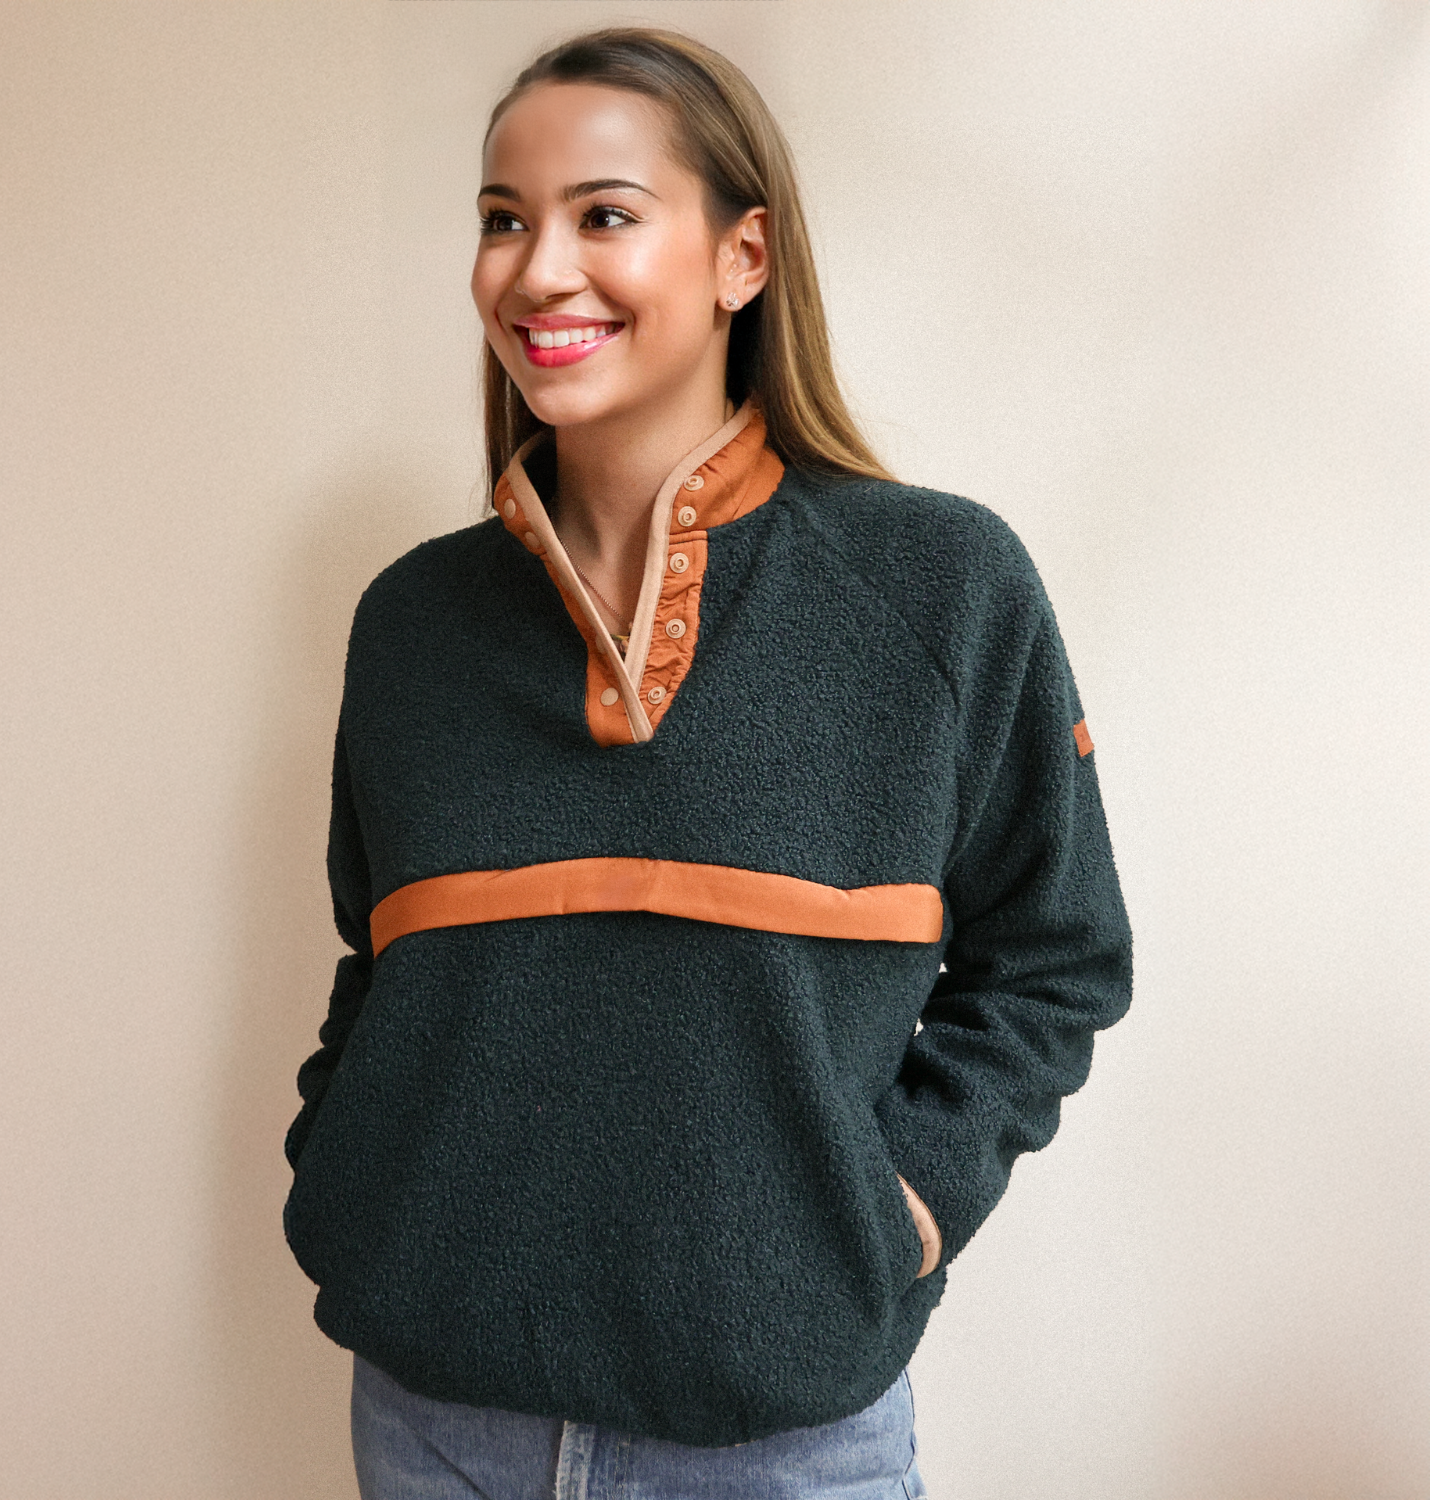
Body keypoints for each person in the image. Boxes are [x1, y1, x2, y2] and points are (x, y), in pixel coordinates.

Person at [282, 24, 1132, 1500]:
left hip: (784, 1445)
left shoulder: (940, 587)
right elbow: (385, 958)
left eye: (604, 214)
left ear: (744, 255)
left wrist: (897, 1212)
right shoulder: (410, 622)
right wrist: (344, 1175)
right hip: (428, 1425)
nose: (539, 269)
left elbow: (1055, 959)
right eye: (503, 219)